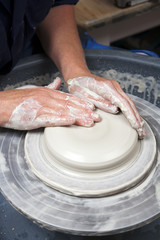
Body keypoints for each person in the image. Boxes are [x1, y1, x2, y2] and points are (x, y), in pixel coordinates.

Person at [0, 0, 145, 138]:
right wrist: (4, 105)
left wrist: (77, 72)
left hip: (24, 36)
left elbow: (54, 4)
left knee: (144, 58)